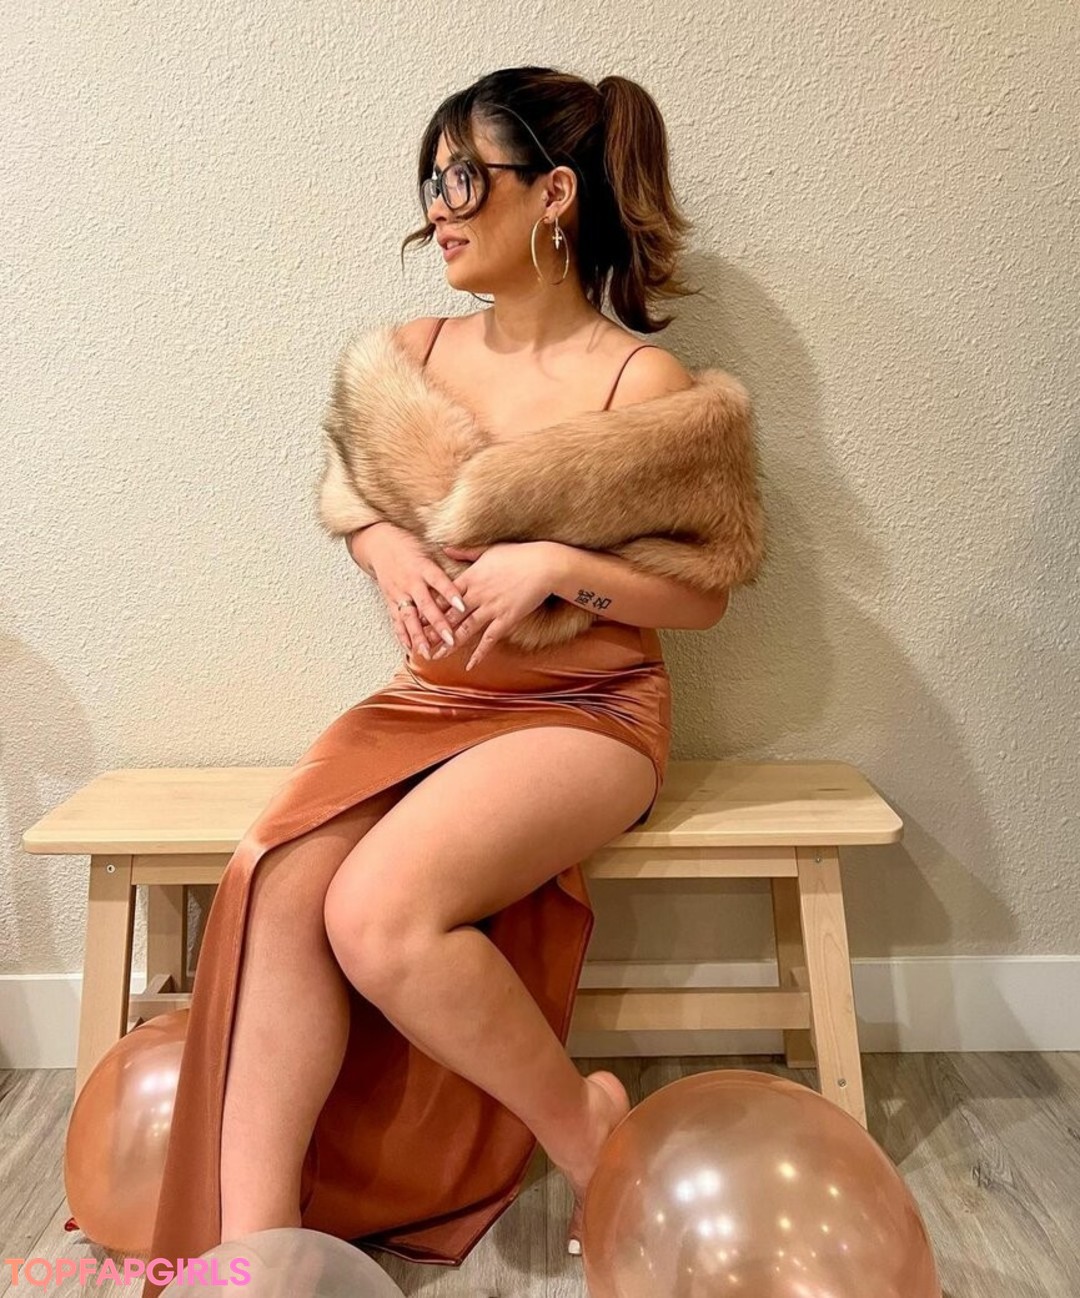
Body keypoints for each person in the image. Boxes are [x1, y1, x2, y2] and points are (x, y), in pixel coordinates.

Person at [140, 65, 735, 1297]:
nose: (439, 206)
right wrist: (382, 543)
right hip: (429, 705)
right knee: (279, 878)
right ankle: (261, 1255)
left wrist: (561, 567)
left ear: (554, 194)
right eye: (434, 177)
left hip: (585, 710)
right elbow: (352, 496)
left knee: (377, 909)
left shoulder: (641, 386)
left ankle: (585, 1130)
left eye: (466, 176)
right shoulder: (406, 356)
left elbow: (703, 593)